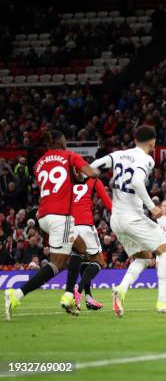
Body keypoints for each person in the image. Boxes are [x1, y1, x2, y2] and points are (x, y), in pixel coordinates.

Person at [90, 125, 166, 316]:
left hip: (116, 219)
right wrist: (152, 207)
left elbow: (92, 167)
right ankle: (163, 301)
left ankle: (121, 290)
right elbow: (136, 181)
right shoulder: (146, 159)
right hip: (132, 217)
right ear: (153, 142)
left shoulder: (117, 155)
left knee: (144, 257)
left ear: (134, 140)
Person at [4, 130, 100, 321]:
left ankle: (68, 295)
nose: (67, 143)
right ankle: (16, 295)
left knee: (80, 248)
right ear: (60, 141)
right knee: (57, 264)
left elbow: (62, 184)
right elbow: (92, 173)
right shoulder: (69, 156)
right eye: (65, 140)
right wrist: (95, 168)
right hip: (60, 216)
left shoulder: (39, 163)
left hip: (44, 215)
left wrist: (77, 178)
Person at [63, 171, 113, 312]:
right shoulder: (94, 181)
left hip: (69, 227)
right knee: (98, 261)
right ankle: (77, 289)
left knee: (84, 261)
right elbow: (109, 205)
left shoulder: (67, 184)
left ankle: (89, 298)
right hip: (85, 225)